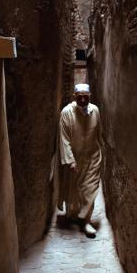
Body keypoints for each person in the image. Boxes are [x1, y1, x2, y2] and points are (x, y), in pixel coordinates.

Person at [58, 83, 102, 238]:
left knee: (90, 189)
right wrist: (70, 160)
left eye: (86, 96)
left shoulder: (95, 110)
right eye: (80, 97)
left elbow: (99, 133)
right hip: (75, 158)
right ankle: (74, 214)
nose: (83, 99)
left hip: (93, 157)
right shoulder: (67, 113)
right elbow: (64, 139)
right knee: (75, 189)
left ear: (90, 96)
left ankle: (86, 221)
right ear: (74, 97)